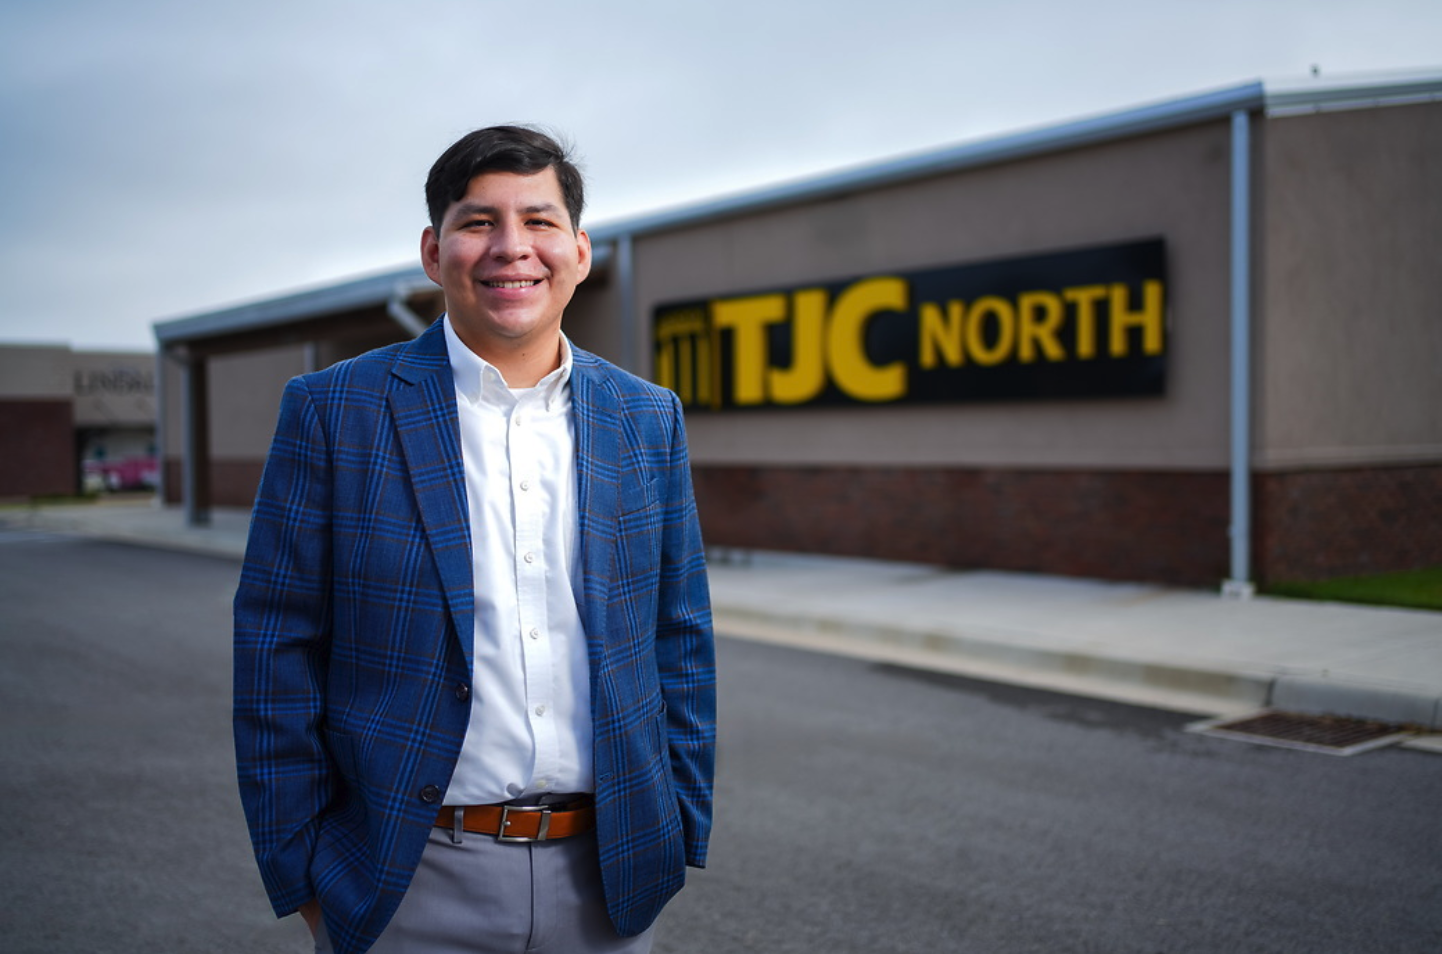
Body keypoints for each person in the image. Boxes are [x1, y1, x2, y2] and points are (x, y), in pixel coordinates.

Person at [233, 125, 716, 954]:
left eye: (538, 220)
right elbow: (277, 648)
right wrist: (307, 878)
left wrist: (680, 821)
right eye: (478, 221)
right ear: (434, 250)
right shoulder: (333, 412)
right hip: (407, 883)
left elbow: (679, 633)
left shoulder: (647, 418)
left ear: (581, 249)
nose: (511, 248)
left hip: (608, 882)